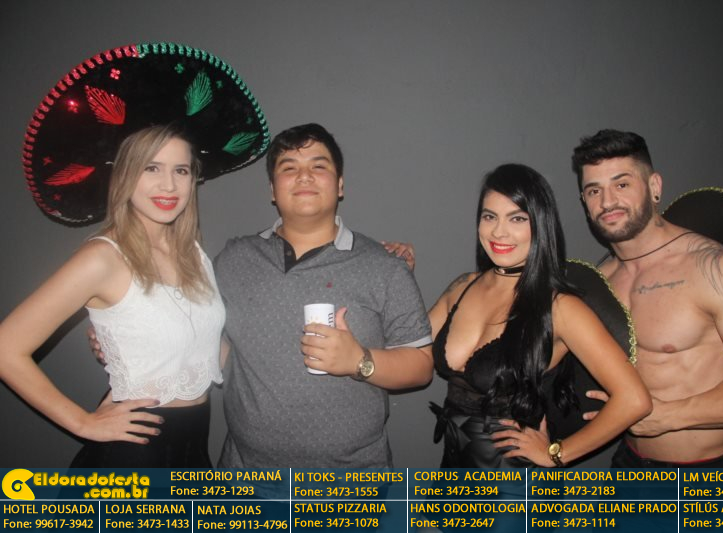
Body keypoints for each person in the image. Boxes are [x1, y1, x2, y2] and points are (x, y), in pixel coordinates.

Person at [572, 129, 723, 467]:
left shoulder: (718, 268)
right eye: (594, 190)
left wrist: (668, 416)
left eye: (622, 184)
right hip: (629, 464)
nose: (607, 202)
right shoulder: (599, 280)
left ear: (654, 187)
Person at [0, 125, 225, 467]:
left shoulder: (193, 253)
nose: (169, 185)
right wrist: (82, 423)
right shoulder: (103, 258)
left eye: (180, 170)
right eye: (152, 168)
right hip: (135, 454)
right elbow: (6, 348)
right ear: (125, 176)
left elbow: (208, 348)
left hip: (195, 446)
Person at [214, 123, 433, 469]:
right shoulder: (233, 259)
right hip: (245, 477)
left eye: (318, 165)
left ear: (340, 184)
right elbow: (207, 337)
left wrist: (359, 361)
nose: (304, 176)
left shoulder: (385, 266)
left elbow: (421, 366)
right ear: (272, 190)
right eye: (289, 168)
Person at [427, 163, 651, 468]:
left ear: (540, 224)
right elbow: (410, 349)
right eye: (489, 216)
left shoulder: (560, 307)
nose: (499, 231)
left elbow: (634, 399)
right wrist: (397, 270)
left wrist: (556, 453)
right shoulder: (462, 287)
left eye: (517, 218)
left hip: (515, 482)